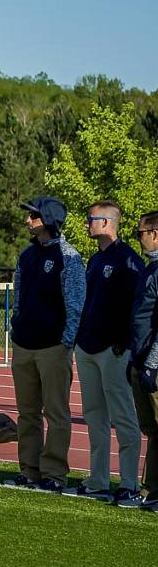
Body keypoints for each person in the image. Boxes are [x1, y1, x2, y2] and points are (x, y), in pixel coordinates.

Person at [64, 201, 143, 505]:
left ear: (107, 223)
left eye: (90, 219)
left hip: (113, 350)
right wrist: (80, 339)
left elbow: (136, 309)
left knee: (123, 417)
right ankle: (97, 480)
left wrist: (124, 343)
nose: (86, 224)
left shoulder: (127, 260)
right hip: (88, 347)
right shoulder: (95, 260)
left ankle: (129, 484)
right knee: (94, 416)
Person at [5, 197, 85, 492]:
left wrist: (66, 342)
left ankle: (54, 474)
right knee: (27, 413)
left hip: (54, 347)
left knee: (56, 412)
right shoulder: (26, 256)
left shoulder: (69, 256)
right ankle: (30, 470)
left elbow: (76, 303)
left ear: (48, 219)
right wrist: (16, 328)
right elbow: (19, 296)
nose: (27, 220)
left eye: (33, 216)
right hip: (24, 344)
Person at [129, 210, 158, 511]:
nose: (138, 238)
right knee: (152, 430)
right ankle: (151, 489)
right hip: (141, 358)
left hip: (154, 362)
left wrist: (151, 362)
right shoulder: (149, 269)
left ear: (155, 233)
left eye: (140, 232)